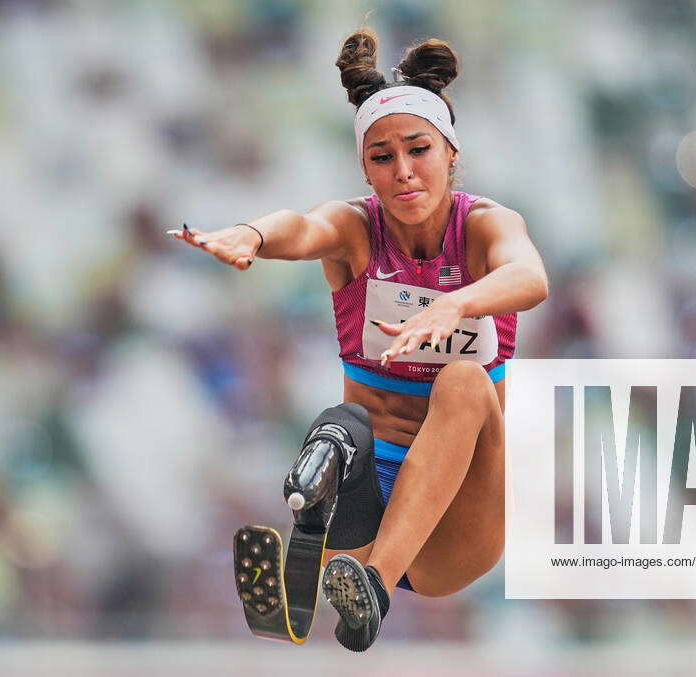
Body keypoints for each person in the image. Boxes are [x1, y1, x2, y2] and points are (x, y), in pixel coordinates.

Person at [169, 27, 547, 651]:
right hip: (373, 496)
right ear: (364, 169)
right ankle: (323, 568)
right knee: (343, 421)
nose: (402, 173)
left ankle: (365, 580)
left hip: (456, 529)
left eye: (418, 150)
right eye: (381, 158)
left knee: (463, 382)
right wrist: (252, 235)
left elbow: (529, 276)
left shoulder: (485, 227)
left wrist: (455, 304)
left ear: (452, 154)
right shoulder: (356, 230)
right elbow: (302, 225)